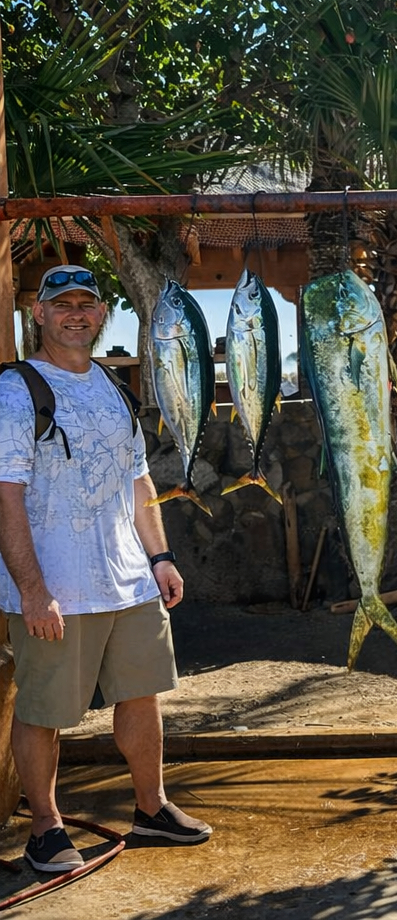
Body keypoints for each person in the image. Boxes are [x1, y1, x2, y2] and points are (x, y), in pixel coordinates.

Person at [0, 265, 212, 873]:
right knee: (43, 710)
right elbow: (6, 494)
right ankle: (46, 828)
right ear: (37, 314)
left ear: (101, 315)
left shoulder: (115, 387)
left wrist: (161, 557)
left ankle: (152, 808)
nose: (75, 314)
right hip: (57, 589)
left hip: (129, 580)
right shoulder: (17, 390)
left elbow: (138, 478)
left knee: (141, 696)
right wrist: (32, 591)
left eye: (86, 305)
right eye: (60, 303)